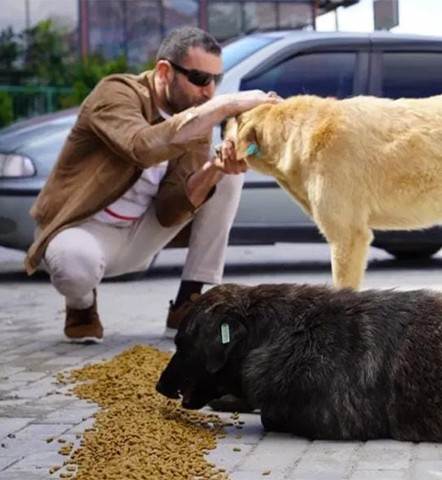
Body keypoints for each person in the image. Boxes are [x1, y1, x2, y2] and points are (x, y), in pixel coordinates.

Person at [24, 26, 280, 343]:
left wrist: (214, 168)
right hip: (83, 228)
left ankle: (188, 301)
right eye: (201, 79)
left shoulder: (193, 117)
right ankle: (82, 306)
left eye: (217, 80)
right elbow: (141, 147)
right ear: (164, 71)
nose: (209, 91)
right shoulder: (116, 93)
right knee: (75, 267)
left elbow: (171, 208)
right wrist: (224, 106)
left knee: (225, 175)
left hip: (142, 231)